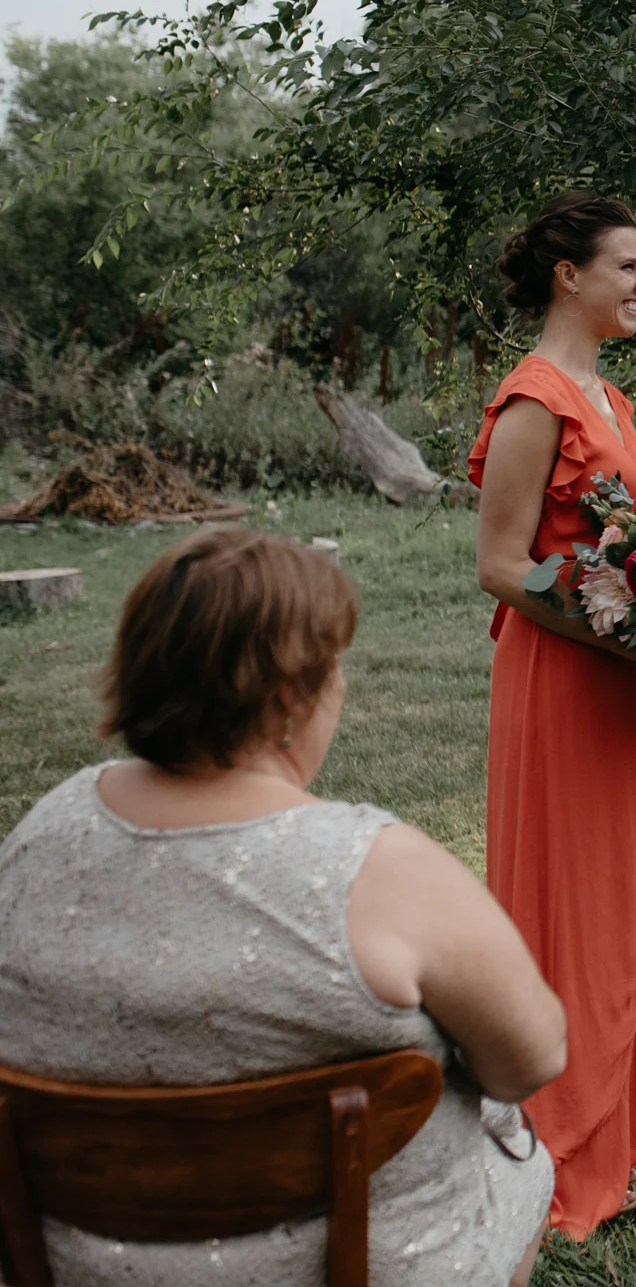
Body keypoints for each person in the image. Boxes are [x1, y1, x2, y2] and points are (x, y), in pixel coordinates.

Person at [0, 528, 563, 1286]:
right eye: (336, 669)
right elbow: (530, 1060)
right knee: (517, 1151)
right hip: (367, 1266)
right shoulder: (382, 870)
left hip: (81, 1265)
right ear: (287, 702)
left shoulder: (39, 836)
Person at [470, 191, 636, 1237]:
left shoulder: (607, 397)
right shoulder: (535, 399)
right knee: (567, 899)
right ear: (568, 275)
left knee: (612, 899)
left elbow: (630, 542)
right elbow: (500, 562)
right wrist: (632, 639)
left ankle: (607, 1133)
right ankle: (556, 1151)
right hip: (562, 679)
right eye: (627, 264)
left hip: (618, 679)